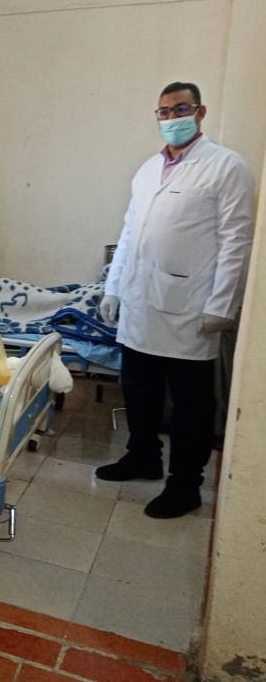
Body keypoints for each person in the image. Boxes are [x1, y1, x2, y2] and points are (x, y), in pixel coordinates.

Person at [96, 81, 256, 519]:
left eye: (180, 109)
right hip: (140, 302)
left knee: (189, 405)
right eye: (164, 112)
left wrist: (222, 305)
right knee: (138, 388)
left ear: (199, 112)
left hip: (190, 305)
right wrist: (113, 287)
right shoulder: (148, 170)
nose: (171, 118)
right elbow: (130, 232)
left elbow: (237, 241)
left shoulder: (226, 167)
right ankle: (142, 456)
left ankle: (186, 484)